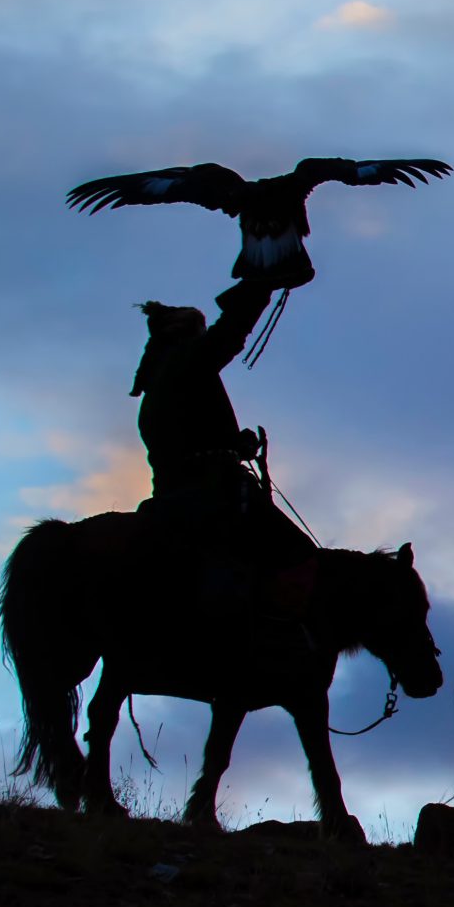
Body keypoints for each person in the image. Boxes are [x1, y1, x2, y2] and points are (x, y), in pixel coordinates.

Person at [128, 280, 316, 666]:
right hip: (211, 492)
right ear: (186, 334)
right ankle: (275, 631)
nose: (202, 336)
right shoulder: (186, 363)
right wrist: (259, 287)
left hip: (171, 491)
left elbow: (186, 439)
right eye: (199, 330)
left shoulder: (158, 387)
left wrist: (235, 444)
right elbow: (227, 336)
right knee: (296, 552)